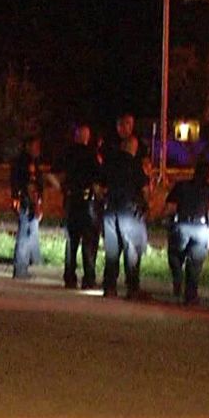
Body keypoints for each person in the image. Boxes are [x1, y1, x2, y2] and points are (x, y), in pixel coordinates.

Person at [164, 160, 209, 305]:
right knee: (195, 264)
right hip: (201, 228)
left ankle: (178, 277)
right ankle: (190, 296)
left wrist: (168, 220)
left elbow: (169, 205)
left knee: (174, 254)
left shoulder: (182, 186)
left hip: (182, 225)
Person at [100, 135, 151, 299]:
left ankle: (109, 287)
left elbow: (99, 186)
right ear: (132, 147)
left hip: (109, 210)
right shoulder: (135, 164)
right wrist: (146, 205)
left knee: (112, 250)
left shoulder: (109, 163)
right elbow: (144, 189)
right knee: (132, 250)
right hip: (129, 210)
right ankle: (132, 288)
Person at [56, 123, 101, 289]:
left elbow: (54, 175)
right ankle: (88, 278)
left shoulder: (67, 153)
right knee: (88, 241)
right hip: (86, 201)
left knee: (71, 241)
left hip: (71, 200)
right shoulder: (91, 154)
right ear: (86, 137)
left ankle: (69, 277)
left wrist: (63, 188)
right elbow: (98, 177)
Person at [10, 136, 44, 279]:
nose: (38, 149)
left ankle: (28, 263)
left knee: (28, 234)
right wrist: (36, 204)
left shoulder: (22, 161)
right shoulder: (28, 163)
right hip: (27, 202)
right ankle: (20, 269)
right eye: (35, 146)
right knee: (24, 235)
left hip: (24, 201)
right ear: (28, 146)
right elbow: (31, 186)